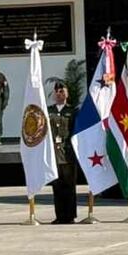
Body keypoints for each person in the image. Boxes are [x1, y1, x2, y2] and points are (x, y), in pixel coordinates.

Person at [47, 81, 77, 224]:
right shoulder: (49, 111)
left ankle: (70, 216)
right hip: (54, 153)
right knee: (57, 186)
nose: (59, 94)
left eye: (62, 91)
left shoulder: (73, 111)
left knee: (69, 186)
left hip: (68, 152)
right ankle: (59, 216)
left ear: (67, 94)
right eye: (57, 92)